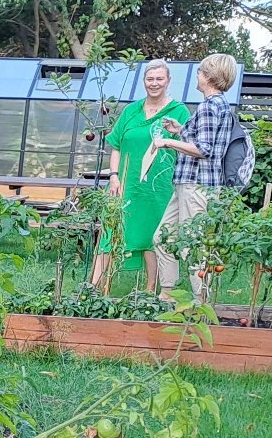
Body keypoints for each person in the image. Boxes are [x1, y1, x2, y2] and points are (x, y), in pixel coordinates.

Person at [149, 53, 240, 302]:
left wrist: (167, 142)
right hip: (186, 183)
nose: (196, 77)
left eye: (200, 72)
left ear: (209, 77)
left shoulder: (211, 106)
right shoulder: (215, 105)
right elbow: (202, 141)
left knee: (192, 244)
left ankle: (202, 303)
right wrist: (180, 130)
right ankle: (168, 293)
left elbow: (205, 150)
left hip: (197, 185)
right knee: (162, 237)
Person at [95, 60, 190, 293]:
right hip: (125, 183)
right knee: (111, 230)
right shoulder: (131, 111)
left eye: (159, 79)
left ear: (168, 81)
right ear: (144, 81)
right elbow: (116, 144)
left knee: (153, 234)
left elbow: (189, 146)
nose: (154, 83)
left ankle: (150, 290)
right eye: (150, 79)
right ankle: (94, 287)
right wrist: (114, 176)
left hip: (158, 187)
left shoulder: (179, 111)